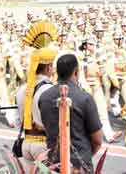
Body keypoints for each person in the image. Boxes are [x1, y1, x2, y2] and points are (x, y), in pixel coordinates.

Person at [39, 54, 103, 174]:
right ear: (76, 72)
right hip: (79, 166)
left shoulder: (44, 97)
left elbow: (46, 128)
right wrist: (85, 155)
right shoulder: (84, 98)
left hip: (54, 162)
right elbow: (97, 140)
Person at [15, 21, 58, 171]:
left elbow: (16, 120)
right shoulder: (49, 90)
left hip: (26, 143)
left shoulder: (22, 89)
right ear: (48, 67)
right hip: (43, 145)